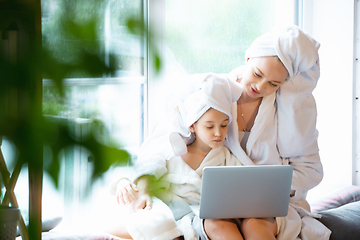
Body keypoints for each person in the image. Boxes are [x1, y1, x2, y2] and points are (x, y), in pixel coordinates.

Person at [116, 25, 332, 239]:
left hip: (266, 205)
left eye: (273, 84)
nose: (260, 86)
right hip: (216, 206)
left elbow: (310, 169)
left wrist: (272, 188)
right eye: (257, 74)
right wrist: (142, 182)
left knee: (255, 224)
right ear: (248, 59)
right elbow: (163, 143)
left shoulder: (288, 112)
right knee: (218, 223)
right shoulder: (213, 93)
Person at [109, 74, 245, 239]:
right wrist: (123, 183)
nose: (218, 133)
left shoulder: (226, 158)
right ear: (192, 126)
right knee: (148, 225)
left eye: (224, 125)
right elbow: (134, 178)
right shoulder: (171, 153)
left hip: (200, 218)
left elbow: (243, 190)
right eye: (210, 127)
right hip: (165, 213)